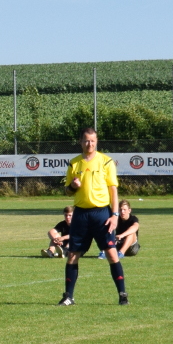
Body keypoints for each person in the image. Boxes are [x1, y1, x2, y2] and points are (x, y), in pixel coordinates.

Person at [58, 126, 127, 306]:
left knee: (112, 253)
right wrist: (73, 187)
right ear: (80, 142)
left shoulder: (106, 162)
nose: (90, 144)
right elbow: (67, 192)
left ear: (97, 142)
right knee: (73, 254)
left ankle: (122, 294)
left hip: (101, 214)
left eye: (93, 141)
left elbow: (113, 190)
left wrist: (115, 215)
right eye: (86, 140)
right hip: (80, 214)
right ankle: (68, 297)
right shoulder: (74, 163)